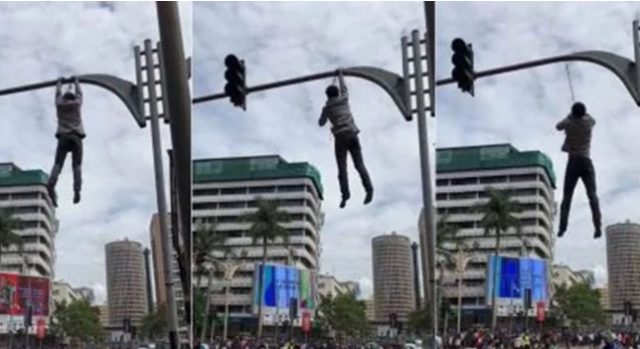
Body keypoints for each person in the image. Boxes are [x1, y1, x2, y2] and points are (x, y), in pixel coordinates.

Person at [319, 69, 373, 208]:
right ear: (337, 93)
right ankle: (369, 189)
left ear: (328, 96)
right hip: (352, 134)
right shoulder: (344, 99)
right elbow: (344, 87)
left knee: (342, 168)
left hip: (340, 138)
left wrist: (326, 108)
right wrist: (340, 75)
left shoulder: (327, 107)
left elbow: (321, 123)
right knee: (359, 165)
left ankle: (345, 195)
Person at [556, 102, 602, 239]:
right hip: (586, 162)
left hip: (573, 162)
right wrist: (578, 115)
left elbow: (558, 127)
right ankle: (597, 227)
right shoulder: (589, 123)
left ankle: (562, 228)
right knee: (592, 196)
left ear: (573, 113)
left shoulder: (569, 123)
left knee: (567, 197)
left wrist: (570, 116)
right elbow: (591, 118)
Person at [47, 76, 85, 207]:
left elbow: (57, 94)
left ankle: (51, 184)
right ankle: (77, 190)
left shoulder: (59, 104)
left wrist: (59, 83)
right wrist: (76, 81)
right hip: (76, 137)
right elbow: (80, 93)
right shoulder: (76, 104)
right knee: (77, 166)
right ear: (72, 98)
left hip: (63, 137)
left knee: (58, 164)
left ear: (64, 98)